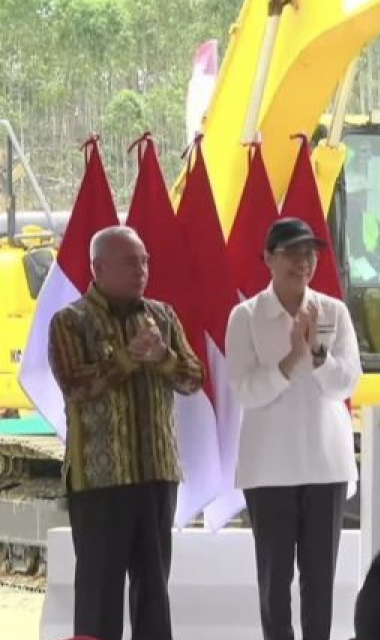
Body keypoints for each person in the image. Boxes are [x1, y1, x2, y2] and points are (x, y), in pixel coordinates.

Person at [47, 225, 204, 640]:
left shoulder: (162, 316)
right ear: (98, 268)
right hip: (100, 481)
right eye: (131, 262)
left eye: (145, 262)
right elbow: (75, 385)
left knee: (153, 590)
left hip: (156, 475)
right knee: (98, 594)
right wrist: (128, 358)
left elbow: (194, 378)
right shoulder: (70, 321)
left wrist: (163, 356)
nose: (142, 271)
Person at [225, 217, 363, 640]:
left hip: (325, 463)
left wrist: (317, 356)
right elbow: (245, 390)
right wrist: (289, 363)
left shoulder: (333, 311)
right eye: (292, 253)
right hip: (269, 469)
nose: (303, 261)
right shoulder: (246, 316)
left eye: (310, 253)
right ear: (268, 258)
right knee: (275, 579)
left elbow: (347, 383)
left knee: (320, 579)